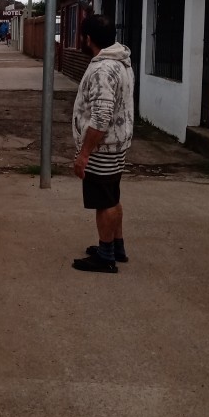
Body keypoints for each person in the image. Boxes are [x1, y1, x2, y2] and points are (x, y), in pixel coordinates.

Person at [71, 14, 134, 274]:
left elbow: (101, 116)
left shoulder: (102, 69)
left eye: (81, 36)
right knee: (112, 197)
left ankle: (106, 257)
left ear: (88, 39)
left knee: (104, 202)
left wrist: (84, 154)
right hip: (117, 143)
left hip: (103, 147)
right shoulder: (121, 62)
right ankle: (115, 246)